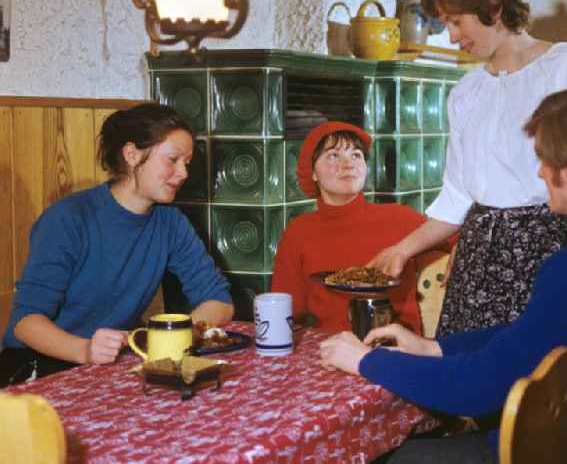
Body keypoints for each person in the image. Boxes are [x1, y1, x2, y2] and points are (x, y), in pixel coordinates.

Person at [321, 85, 567, 464]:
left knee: (382, 457)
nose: (540, 173)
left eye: (544, 159)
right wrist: (434, 347)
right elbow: (536, 334)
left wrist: (365, 362)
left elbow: (478, 389)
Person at [370, 0, 567, 336]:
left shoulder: (564, 67)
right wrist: (402, 250)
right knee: (465, 378)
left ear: (493, 6)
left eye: (457, 21)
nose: (453, 36)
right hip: (477, 262)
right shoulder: (465, 94)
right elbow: (457, 197)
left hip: (549, 254)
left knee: (540, 383)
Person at [0, 103, 233, 386]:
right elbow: (24, 323)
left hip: (106, 371)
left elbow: (219, 301)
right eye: (173, 159)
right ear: (132, 154)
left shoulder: (170, 222)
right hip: (39, 371)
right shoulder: (68, 219)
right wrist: (85, 350)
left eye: (186, 162)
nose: (183, 173)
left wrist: (171, 337)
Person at [271, 121, 427, 333]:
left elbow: (461, 239)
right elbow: (287, 313)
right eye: (334, 155)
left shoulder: (400, 218)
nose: (349, 164)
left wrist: (456, 248)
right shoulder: (298, 233)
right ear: (312, 172)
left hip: (397, 350)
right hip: (329, 349)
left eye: (356, 155)